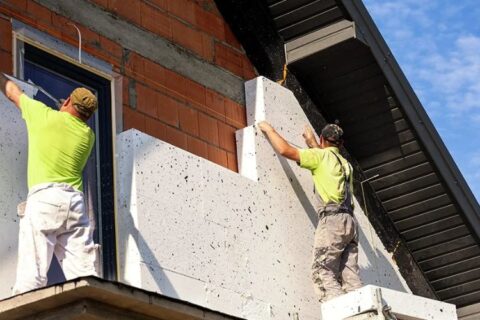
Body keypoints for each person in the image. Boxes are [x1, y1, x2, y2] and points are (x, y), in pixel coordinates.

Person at [0, 73, 100, 295]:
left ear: (66, 101)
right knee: (84, 273)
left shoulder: (43, 116)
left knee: (32, 273)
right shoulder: (88, 136)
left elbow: (12, 92)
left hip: (46, 199)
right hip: (74, 204)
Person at [258, 121, 362, 302]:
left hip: (332, 221)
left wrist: (269, 129)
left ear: (322, 139)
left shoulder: (320, 157)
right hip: (350, 223)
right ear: (342, 144)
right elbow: (326, 161)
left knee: (323, 271)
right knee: (350, 277)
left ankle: (338, 313)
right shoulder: (346, 164)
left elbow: (285, 150)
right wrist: (313, 144)